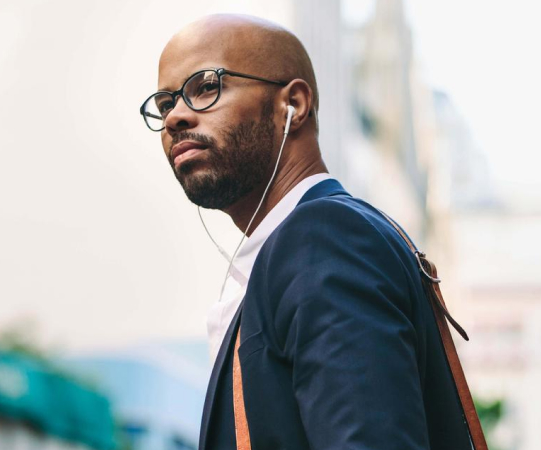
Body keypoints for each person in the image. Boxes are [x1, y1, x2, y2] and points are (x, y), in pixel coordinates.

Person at [140, 14, 472, 450]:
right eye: (165, 104)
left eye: (205, 87)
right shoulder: (298, 254)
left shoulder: (325, 238)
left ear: (292, 105)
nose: (174, 118)